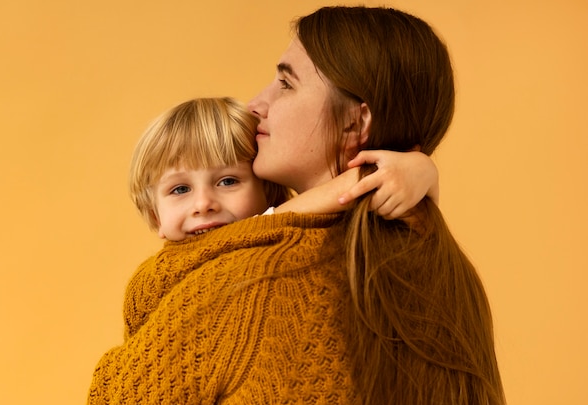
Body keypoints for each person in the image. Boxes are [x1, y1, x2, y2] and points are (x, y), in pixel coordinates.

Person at [83, 6, 506, 405]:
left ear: (356, 124)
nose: (255, 104)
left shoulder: (245, 286)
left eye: (285, 85)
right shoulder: (454, 278)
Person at [123, 96, 434, 339]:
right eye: (180, 189)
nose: (203, 204)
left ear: (268, 192)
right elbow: (349, 189)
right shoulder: (153, 281)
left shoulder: (279, 244)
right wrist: (422, 168)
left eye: (228, 181)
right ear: (155, 216)